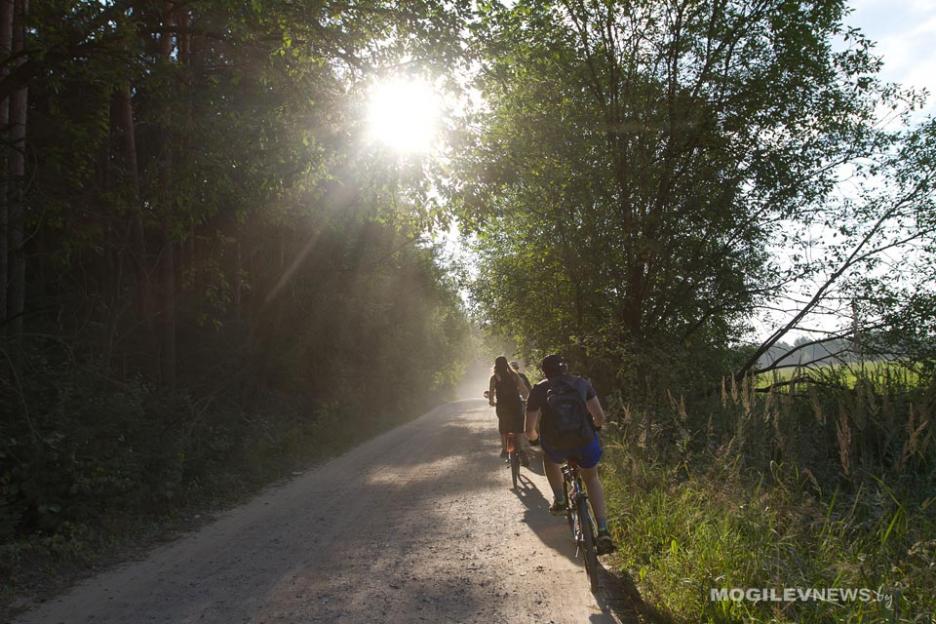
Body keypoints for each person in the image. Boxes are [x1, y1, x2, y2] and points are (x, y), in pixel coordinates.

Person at [525, 354, 615, 554]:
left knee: (549, 460)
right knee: (591, 478)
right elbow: (599, 417)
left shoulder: (539, 390)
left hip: (556, 445)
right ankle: (603, 530)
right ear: (565, 368)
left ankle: (560, 499)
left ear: (544, 371)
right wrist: (595, 428)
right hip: (585, 441)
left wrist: (533, 440)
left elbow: (529, 428)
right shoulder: (581, 384)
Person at [488, 356, 531, 462]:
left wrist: (492, 402)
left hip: (502, 406)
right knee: (519, 427)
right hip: (515, 405)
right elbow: (524, 390)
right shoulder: (514, 376)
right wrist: (526, 399)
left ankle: (504, 450)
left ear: (496, 366)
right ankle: (521, 450)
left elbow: (491, 392)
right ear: (507, 364)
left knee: (503, 427)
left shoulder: (494, 377)